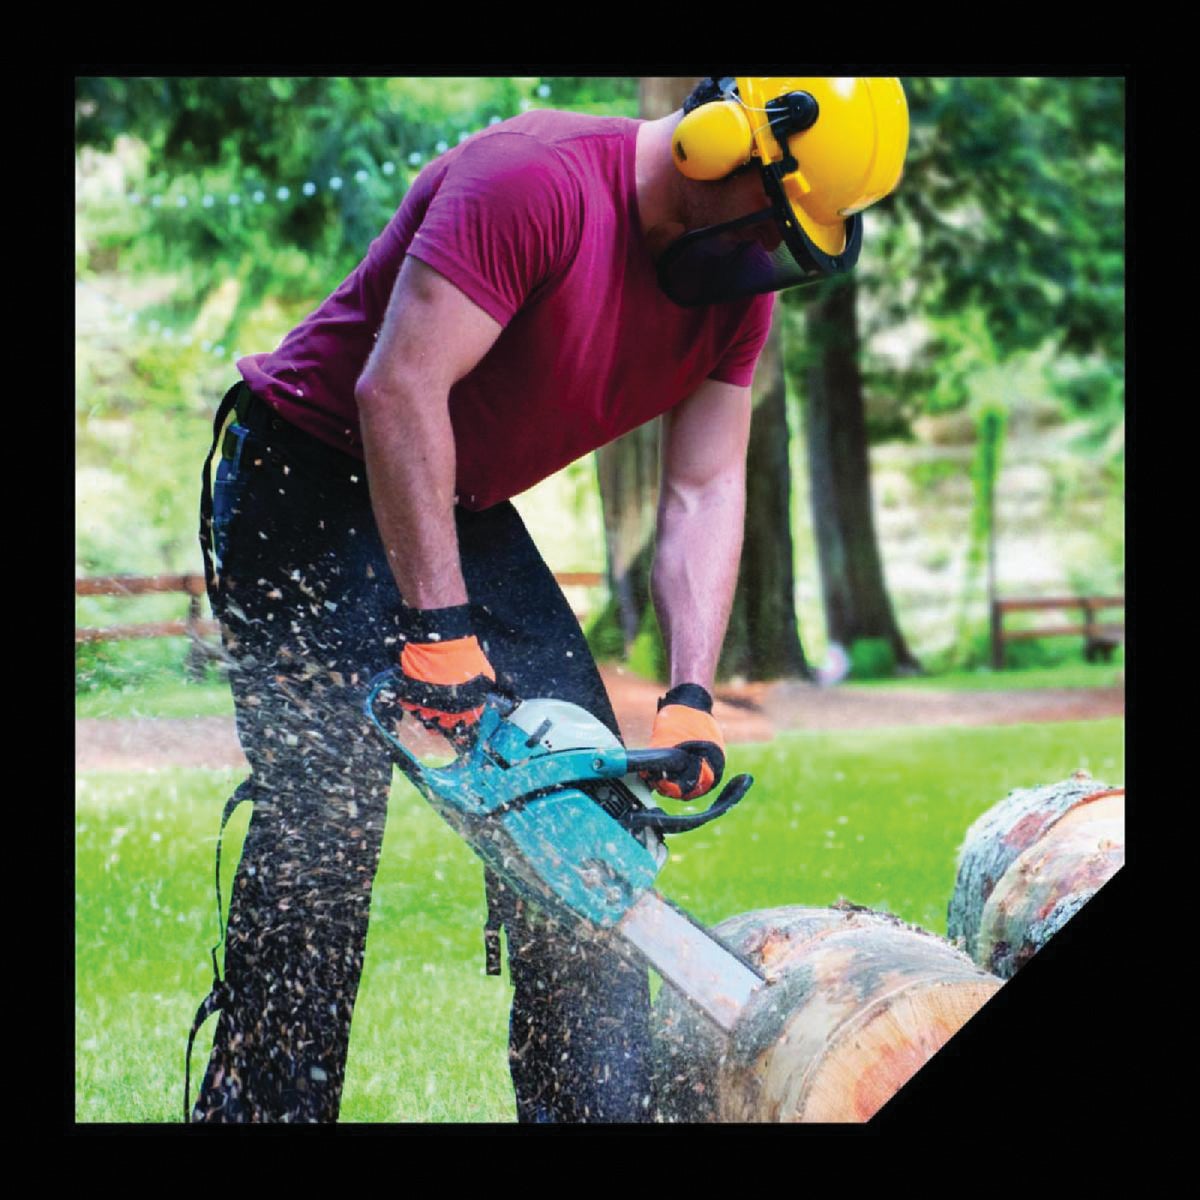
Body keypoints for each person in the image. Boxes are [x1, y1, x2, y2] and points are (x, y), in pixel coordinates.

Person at [186, 76, 910, 1124]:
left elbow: (705, 489)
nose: (765, 258)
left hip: (457, 498)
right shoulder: (531, 182)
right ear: (714, 144)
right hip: (307, 467)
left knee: (589, 800)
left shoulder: (730, 300)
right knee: (323, 830)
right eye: (767, 221)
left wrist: (691, 690)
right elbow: (396, 392)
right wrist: (440, 636)